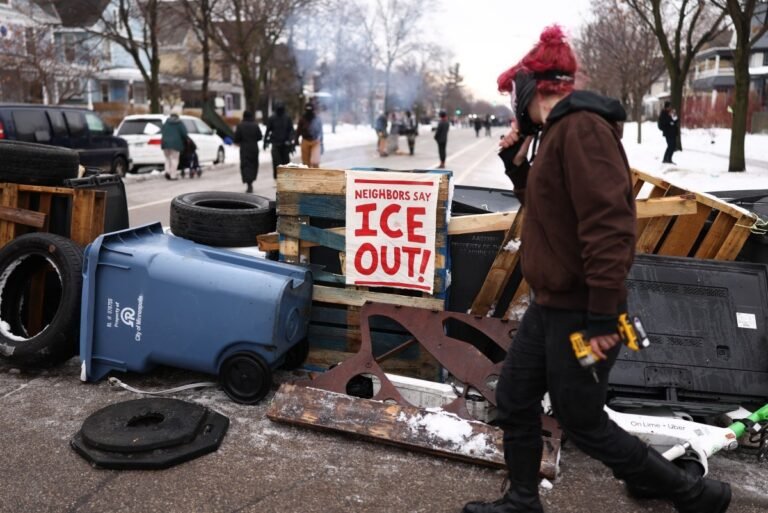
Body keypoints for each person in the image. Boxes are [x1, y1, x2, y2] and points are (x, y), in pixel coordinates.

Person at [463, 25, 731, 513]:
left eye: (511, 95)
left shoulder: (582, 130)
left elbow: (609, 227)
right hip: (551, 306)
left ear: (529, 88)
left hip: (583, 312)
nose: (511, 107)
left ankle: (695, 495)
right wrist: (516, 164)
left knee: (582, 419)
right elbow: (550, 214)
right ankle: (522, 500)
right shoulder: (555, 134)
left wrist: (604, 318)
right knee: (516, 399)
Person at [264, 102, 295, 180]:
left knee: (286, 162)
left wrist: (290, 140)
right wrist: (265, 141)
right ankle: (277, 177)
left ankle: (286, 178)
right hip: (275, 143)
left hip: (285, 144)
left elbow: (291, 130)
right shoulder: (272, 118)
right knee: (276, 162)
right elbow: (268, 130)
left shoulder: (287, 118)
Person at [233, 110, 262, 193]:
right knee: (253, 165)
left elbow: (236, 138)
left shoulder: (240, 126)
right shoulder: (255, 125)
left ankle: (248, 183)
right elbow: (260, 137)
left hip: (245, 149)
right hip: (254, 148)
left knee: (246, 165)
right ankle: (251, 181)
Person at [160, 109, 188, 180]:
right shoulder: (179, 123)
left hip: (165, 143)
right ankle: (173, 175)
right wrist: (186, 140)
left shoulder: (166, 122)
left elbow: (162, 131)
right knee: (174, 159)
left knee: (167, 158)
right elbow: (184, 133)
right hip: (175, 144)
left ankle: (167, 172)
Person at [295, 103, 323, 167]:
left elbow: (321, 132)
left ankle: (316, 173)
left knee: (315, 162)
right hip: (305, 140)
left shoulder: (317, 119)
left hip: (315, 141)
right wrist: (296, 139)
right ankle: (307, 173)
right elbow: (298, 130)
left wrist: (321, 143)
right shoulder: (302, 119)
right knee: (305, 163)